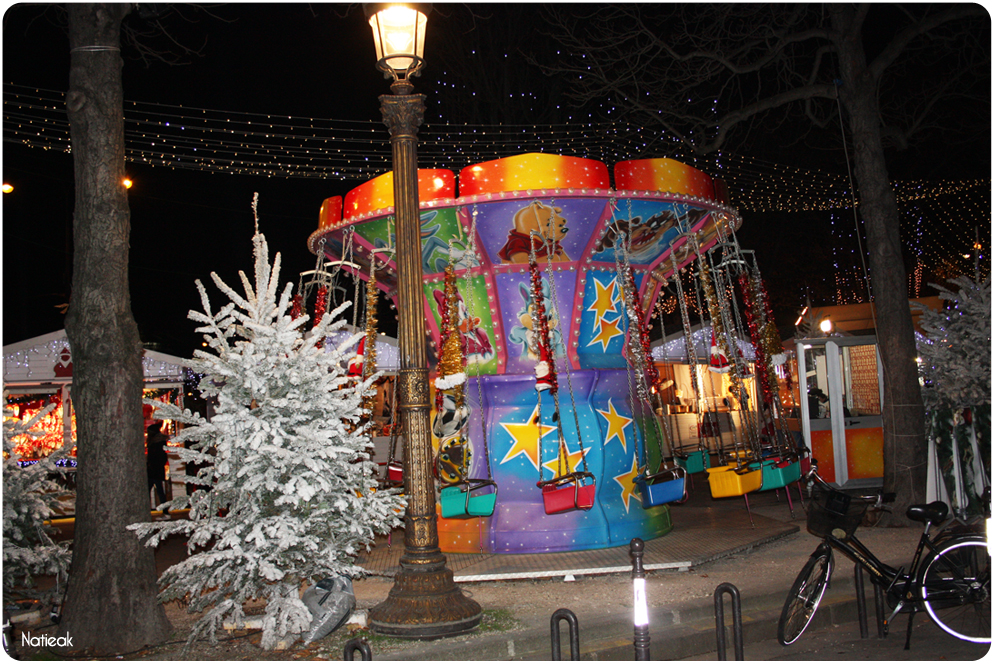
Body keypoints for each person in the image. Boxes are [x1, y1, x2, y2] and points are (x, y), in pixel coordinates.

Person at [146, 422, 169, 514]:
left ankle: (165, 511)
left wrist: (151, 465)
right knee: (160, 491)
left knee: (154, 491)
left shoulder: (154, 443)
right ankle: (165, 511)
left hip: (153, 470)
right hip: (157, 470)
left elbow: (155, 457)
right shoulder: (160, 442)